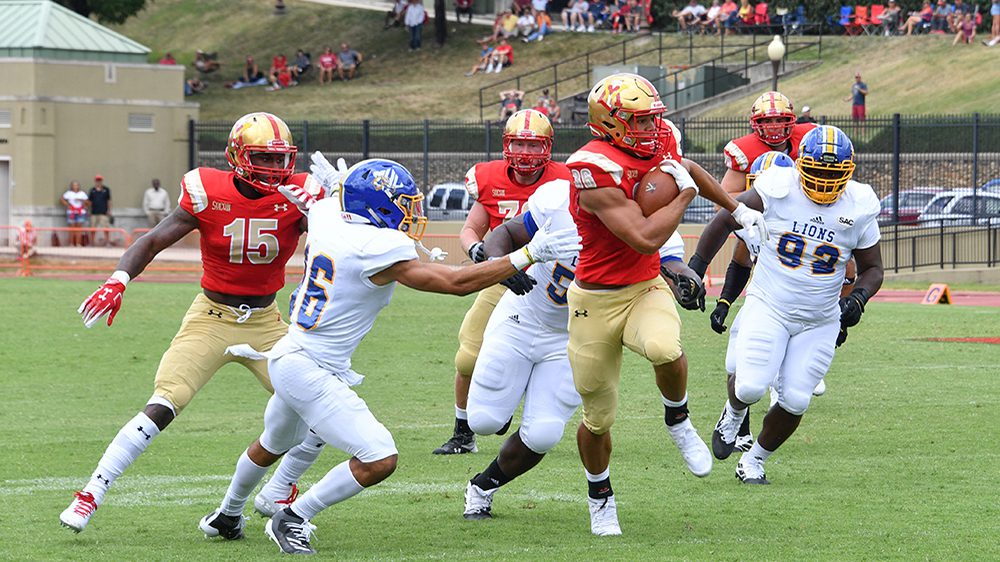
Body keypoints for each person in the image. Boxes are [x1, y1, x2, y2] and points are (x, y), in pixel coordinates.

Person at [197, 159, 581, 554]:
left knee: (272, 443)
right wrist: (528, 254)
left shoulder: (329, 214)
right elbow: (454, 282)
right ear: (375, 207)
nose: (410, 213)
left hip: (291, 353)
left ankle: (226, 515)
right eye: (401, 204)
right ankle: (293, 517)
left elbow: (332, 199)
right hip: (311, 368)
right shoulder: (374, 247)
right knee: (379, 458)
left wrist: (337, 186)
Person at [59, 112, 326, 534]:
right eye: (263, 158)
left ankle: (279, 489)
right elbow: (152, 240)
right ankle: (91, 492)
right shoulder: (207, 190)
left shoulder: (298, 195)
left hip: (267, 322)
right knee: (166, 401)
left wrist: (328, 209)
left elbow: (334, 244)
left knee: (324, 408)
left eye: (280, 160)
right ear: (237, 156)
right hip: (211, 318)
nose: (275, 169)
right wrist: (118, 279)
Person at [565, 73, 767, 536]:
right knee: (597, 419)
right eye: (638, 121)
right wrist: (688, 196)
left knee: (664, 347)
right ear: (609, 123)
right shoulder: (591, 167)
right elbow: (643, 237)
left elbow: (689, 167)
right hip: (593, 299)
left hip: (644, 286)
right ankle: (600, 496)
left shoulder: (661, 139)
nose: (652, 128)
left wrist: (737, 211)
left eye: (654, 118)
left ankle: (678, 419)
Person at [461, 177, 696, 521]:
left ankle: (481, 487)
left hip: (576, 334)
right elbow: (508, 233)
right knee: (483, 420)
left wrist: (684, 278)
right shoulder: (560, 199)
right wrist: (501, 264)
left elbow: (671, 264)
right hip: (522, 316)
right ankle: (509, 395)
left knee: (541, 435)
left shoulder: (651, 223)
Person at [688, 125, 884, 485]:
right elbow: (725, 218)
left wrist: (859, 298)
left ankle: (754, 460)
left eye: (833, 174)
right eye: (818, 172)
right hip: (770, 306)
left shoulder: (859, 205)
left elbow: (873, 268)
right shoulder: (777, 187)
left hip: (819, 318)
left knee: (796, 399)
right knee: (749, 387)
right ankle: (732, 414)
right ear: (800, 166)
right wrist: (696, 268)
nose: (824, 182)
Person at [433, 109, 573, 455]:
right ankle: (463, 432)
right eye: (519, 144)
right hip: (504, 277)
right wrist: (478, 251)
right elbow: (470, 230)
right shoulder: (489, 177)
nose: (526, 153)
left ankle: (529, 408)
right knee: (467, 357)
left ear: (548, 147)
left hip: (554, 282)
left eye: (533, 145)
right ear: (506, 145)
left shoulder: (566, 178)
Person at [715, 91, 817, 449]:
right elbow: (726, 209)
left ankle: (757, 434)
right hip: (763, 284)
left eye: (780, 120)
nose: (774, 127)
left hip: (799, 259)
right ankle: (736, 418)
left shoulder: (810, 143)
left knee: (797, 382)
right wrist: (724, 301)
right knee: (740, 366)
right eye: (767, 121)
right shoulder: (745, 171)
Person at [61, 180, 89, 247]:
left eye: (77, 185)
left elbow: (88, 202)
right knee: (72, 228)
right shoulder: (68, 193)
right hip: (71, 212)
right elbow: (62, 199)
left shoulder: (82, 193)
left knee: (79, 228)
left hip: (80, 212)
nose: (75, 186)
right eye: (74, 185)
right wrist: (67, 205)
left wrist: (81, 201)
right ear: (71, 186)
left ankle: (78, 243)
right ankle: (71, 243)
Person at [88, 175, 112, 246]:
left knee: (106, 228)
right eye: (97, 180)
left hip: (103, 212)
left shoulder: (106, 189)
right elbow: (89, 201)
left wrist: (109, 210)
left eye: (100, 180)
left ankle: (107, 242)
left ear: (101, 181)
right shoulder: (92, 190)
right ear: (95, 181)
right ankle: (92, 242)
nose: (98, 182)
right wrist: (88, 210)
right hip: (94, 212)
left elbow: (109, 200)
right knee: (92, 228)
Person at [843, 72, 868, 137]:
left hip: (861, 104)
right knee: (855, 119)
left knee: (862, 119)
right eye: (856, 77)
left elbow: (866, 92)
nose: (857, 78)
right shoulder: (854, 86)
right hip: (855, 104)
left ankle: (863, 133)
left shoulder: (863, 85)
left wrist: (859, 89)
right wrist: (848, 99)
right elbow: (853, 94)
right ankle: (855, 133)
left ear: (860, 77)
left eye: (858, 77)